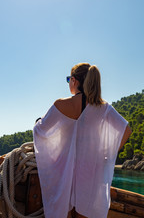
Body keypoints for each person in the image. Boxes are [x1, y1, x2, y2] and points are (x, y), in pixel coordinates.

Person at [33, 63, 131, 218]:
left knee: (63, 211)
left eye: (68, 80)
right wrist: (107, 154)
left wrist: (38, 122)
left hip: (63, 169)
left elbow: (40, 131)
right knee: (85, 213)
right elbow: (126, 130)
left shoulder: (61, 105)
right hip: (91, 168)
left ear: (74, 80)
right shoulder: (103, 107)